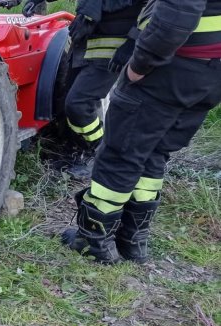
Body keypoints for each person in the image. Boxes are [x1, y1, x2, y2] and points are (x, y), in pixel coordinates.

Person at [62, 0, 221, 264]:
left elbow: (175, 17)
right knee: (154, 152)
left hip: (172, 66)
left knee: (121, 153)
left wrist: (140, 64)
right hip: (209, 74)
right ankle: (133, 240)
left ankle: (94, 240)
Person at [23, 0, 146, 178]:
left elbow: (155, 9)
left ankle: (100, 152)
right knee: (65, 104)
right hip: (86, 42)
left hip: (113, 49)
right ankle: (76, 150)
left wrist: (133, 42)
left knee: (78, 104)